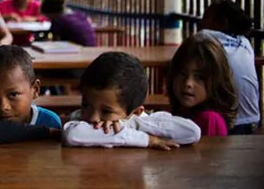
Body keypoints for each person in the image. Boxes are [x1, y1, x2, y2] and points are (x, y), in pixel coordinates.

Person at [62, 52, 201, 149]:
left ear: (135, 112)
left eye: (106, 111)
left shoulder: (143, 121)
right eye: (86, 105)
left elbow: (192, 133)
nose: (92, 118)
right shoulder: (79, 119)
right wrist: (147, 140)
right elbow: (73, 134)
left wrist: (131, 124)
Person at [0, 46, 61, 144]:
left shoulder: (49, 120)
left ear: (35, 90)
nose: (3, 107)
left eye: (13, 95)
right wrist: (46, 132)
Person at [199, 0, 260, 134]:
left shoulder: (204, 37)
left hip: (228, 121)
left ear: (223, 22)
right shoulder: (245, 42)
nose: (202, 22)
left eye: (207, 17)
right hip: (253, 119)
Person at [167, 33, 237, 136]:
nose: (188, 83)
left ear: (217, 82)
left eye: (200, 77)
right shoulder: (183, 112)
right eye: (183, 74)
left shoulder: (210, 120)